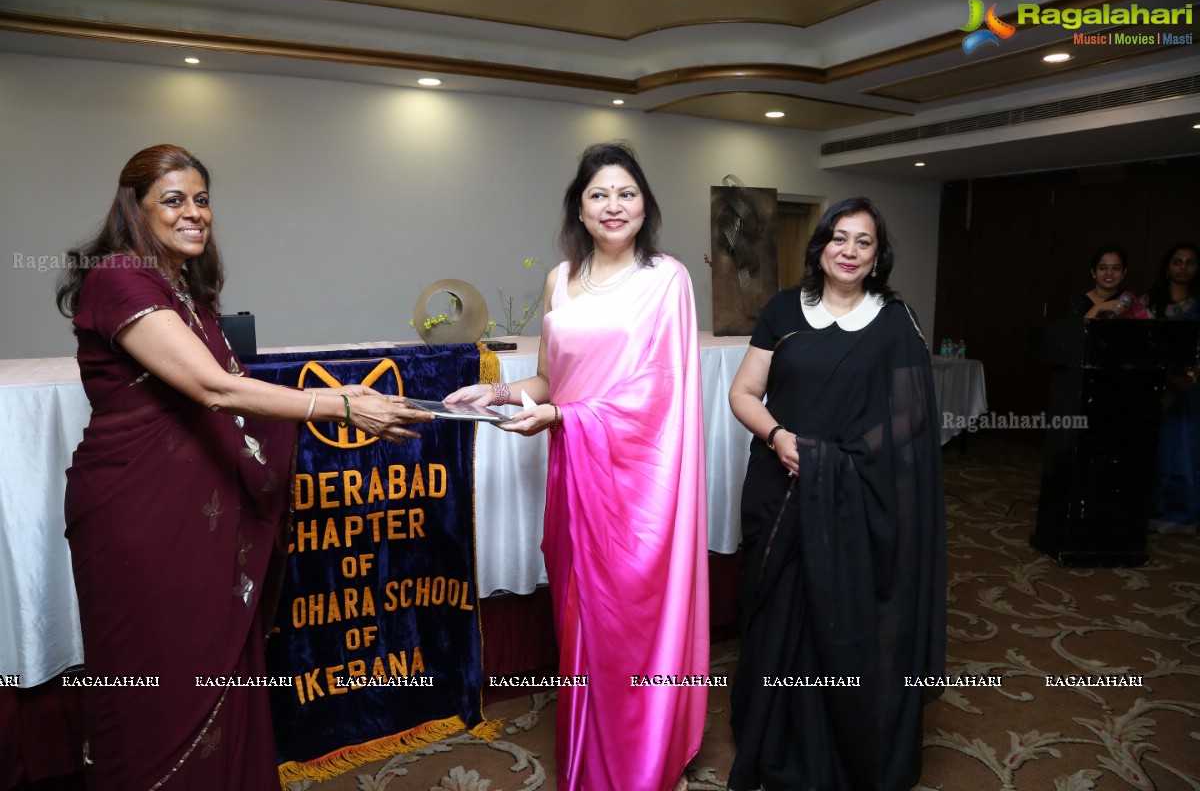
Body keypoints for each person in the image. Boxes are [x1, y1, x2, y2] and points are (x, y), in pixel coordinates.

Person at [55, 144, 432, 790]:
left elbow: (236, 385)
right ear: (134, 208)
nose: (194, 213)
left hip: (194, 518)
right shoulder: (119, 277)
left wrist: (354, 396)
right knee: (157, 691)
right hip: (138, 520)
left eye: (201, 200)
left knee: (220, 677)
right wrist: (340, 406)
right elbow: (215, 390)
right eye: (173, 200)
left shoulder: (187, 294)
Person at [445, 142, 708, 791]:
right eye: (599, 195)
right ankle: (589, 754)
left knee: (632, 629)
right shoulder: (560, 279)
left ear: (646, 207)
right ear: (579, 210)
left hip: (642, 488)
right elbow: (550, 378)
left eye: (626, 193)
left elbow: (658, 393)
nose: (613, 205)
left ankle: (642, 759)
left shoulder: (666, 279)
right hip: (576, 476)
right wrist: (501, 392)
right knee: (579, 625)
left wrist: (565, 418)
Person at [726, 197, 946, 790]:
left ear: (878, 256)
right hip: (780, 485)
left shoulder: (895, 323)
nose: (849, 251)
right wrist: (780, 438)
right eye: (839, 238)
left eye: (863, 242)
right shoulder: (782, 310)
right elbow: (744, 393)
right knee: (777, 613)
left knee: (845, 616)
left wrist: (838, 461)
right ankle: (774, 728)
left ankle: (844, 735)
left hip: (858, 495)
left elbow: (911, 422)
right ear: (821, 247)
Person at [1143, 242, 1200, 535]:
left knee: (1185, 451)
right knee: (1155, 451)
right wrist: (1167, 378)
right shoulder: (1151, 304)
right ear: (1167, 267)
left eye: (1190, 262)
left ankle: (1181, 516)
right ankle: (1150, 512)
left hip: (1192, 389)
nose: (1183, 266)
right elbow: (1142, 346)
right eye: (1177, 261)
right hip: (1155, 387)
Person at [1068, 246, 1148, 319]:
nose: (1109, 273)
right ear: (1093, 272)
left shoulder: (1128, 301)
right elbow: (1076, 332)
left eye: (1116, 268)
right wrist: (1098, 307)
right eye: (1102, 268)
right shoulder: (1078, 302)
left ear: (1123, 273)